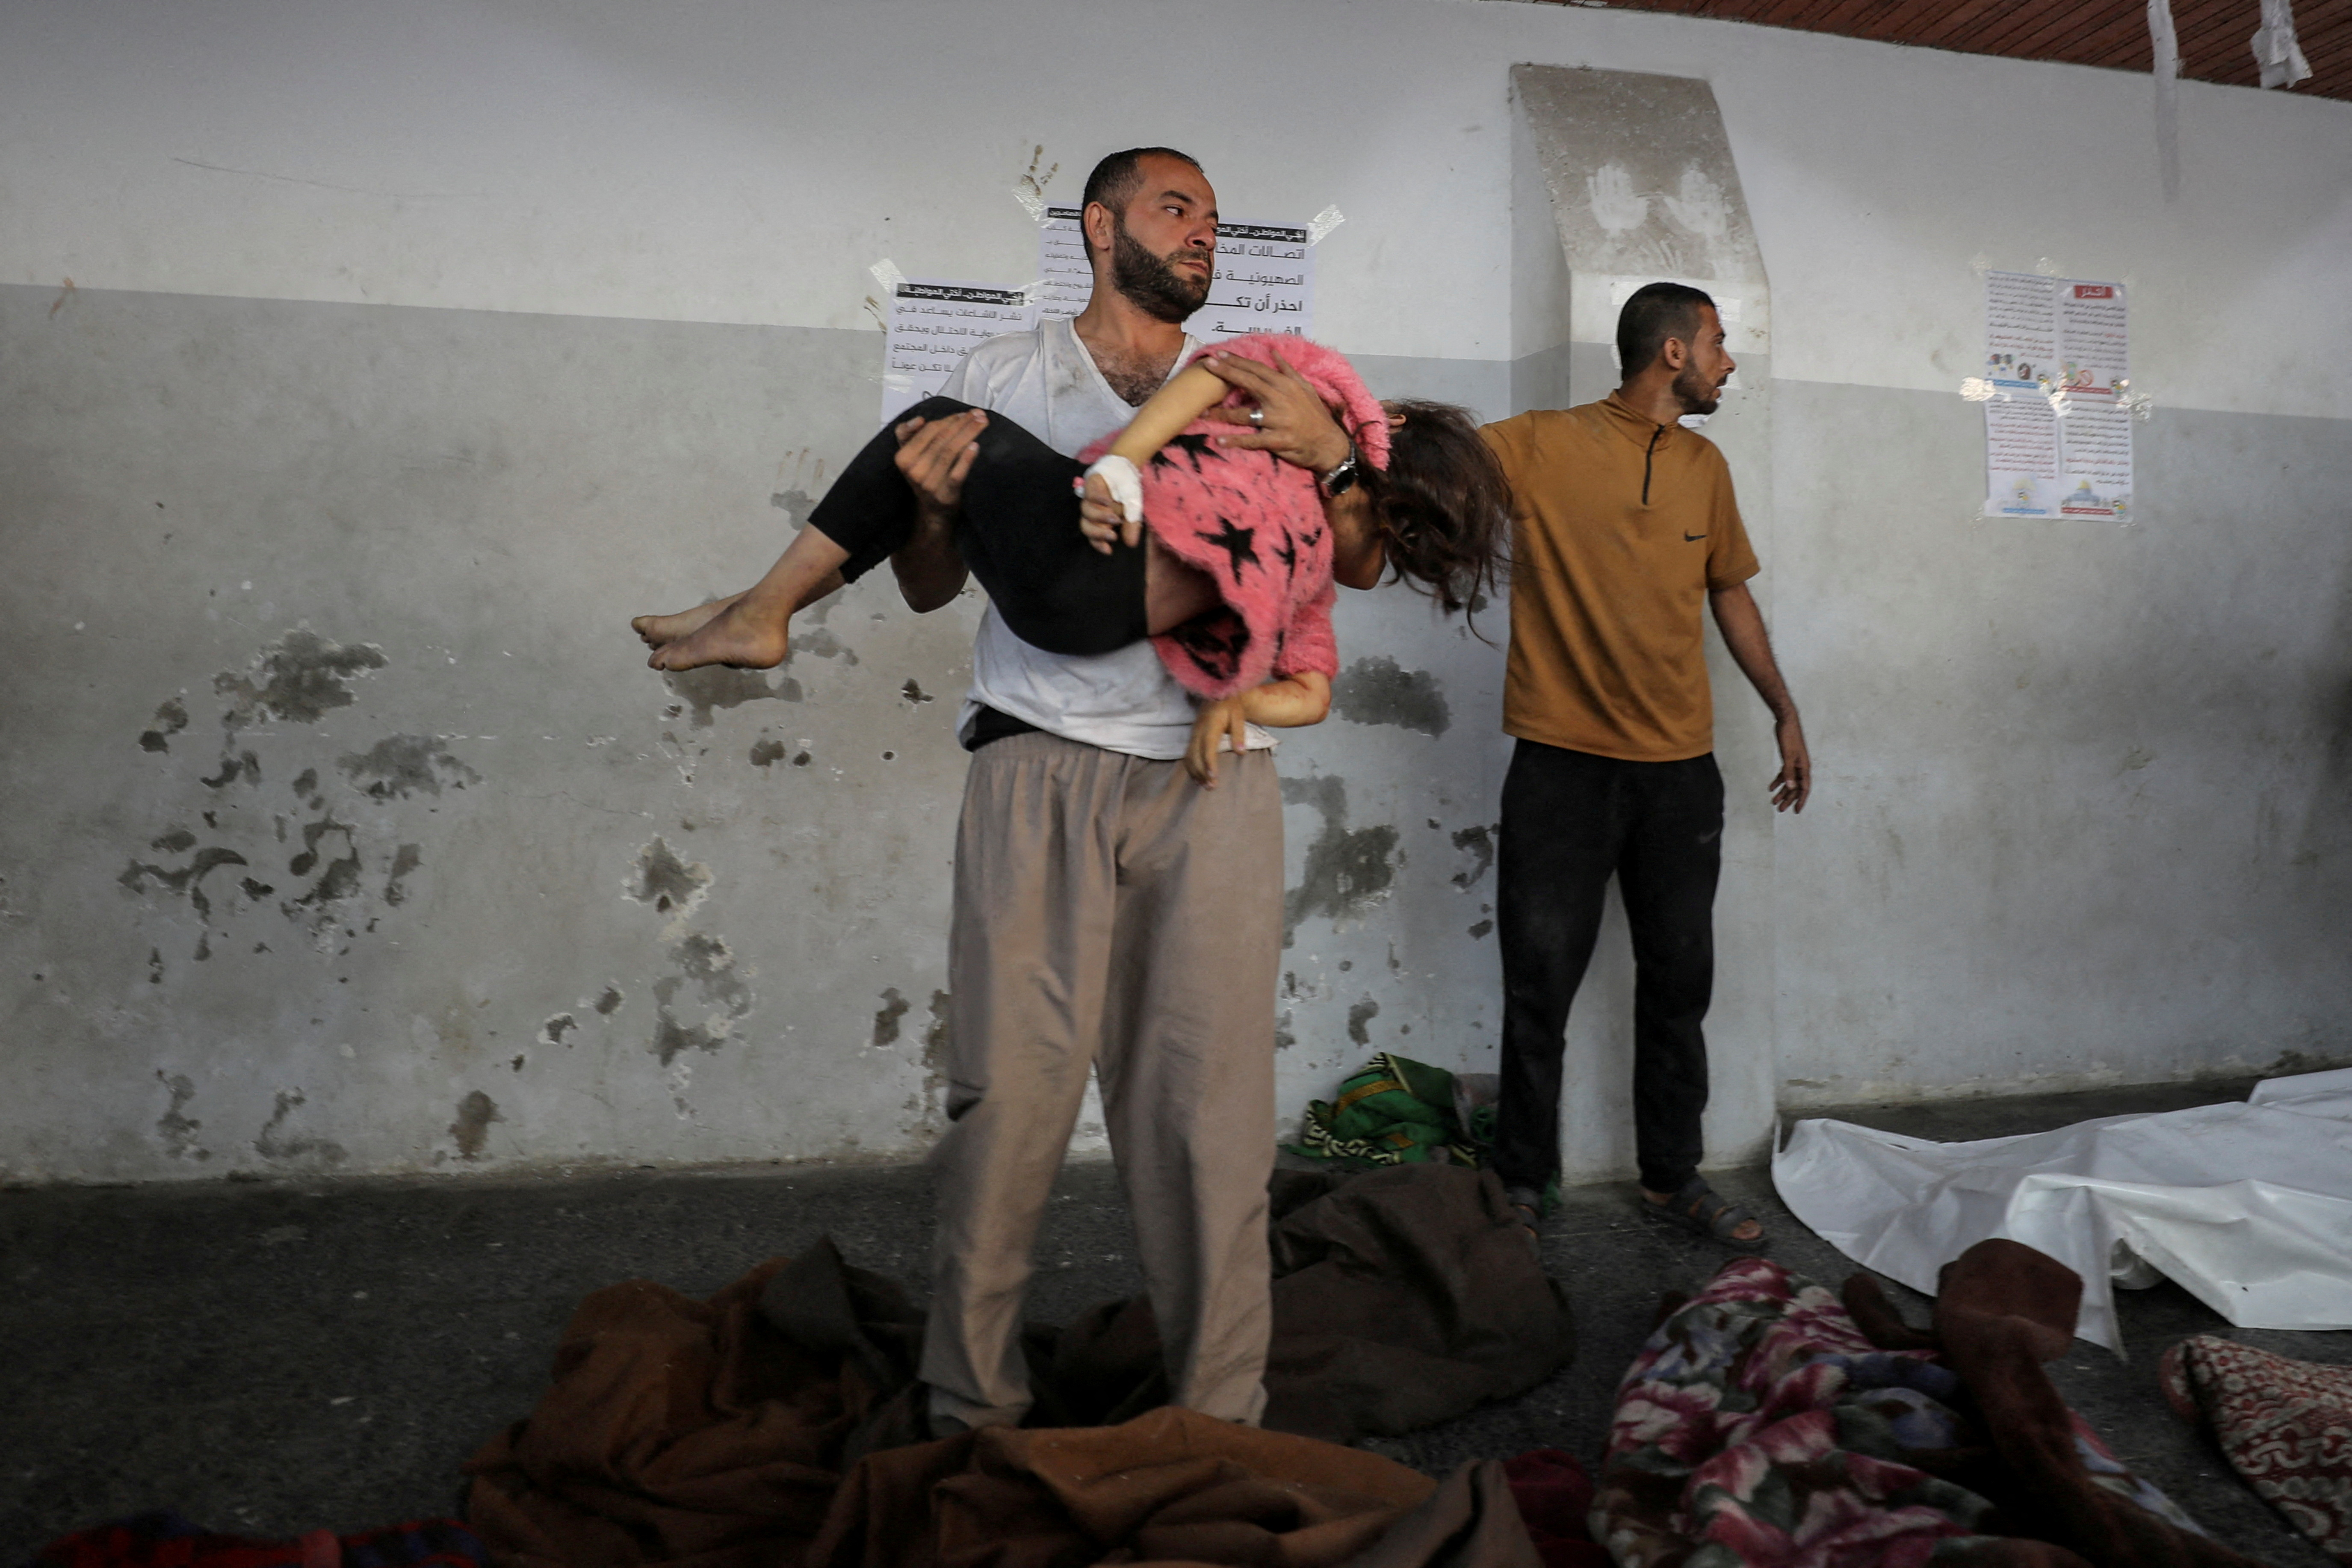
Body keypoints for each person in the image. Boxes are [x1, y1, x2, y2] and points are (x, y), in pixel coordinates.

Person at [632, 332, 1504, 777]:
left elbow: (1219, 372)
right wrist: (1236, 704)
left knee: (939, 422)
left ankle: (761, 608)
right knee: (929, 462)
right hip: (1067, 621)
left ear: (1385, 427)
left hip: (1083, 574)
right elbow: (1311, 692)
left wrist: (1126, 458)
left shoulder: (1311, 424)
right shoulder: (1301, 572)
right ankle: (756, 606)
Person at [1478, 281, 1810, 1254]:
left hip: (1678, 775)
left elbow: (1729, 594)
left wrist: (1784, 709)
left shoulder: (1706, 465)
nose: (1727, 361)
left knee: (1679, 984)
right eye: (1717, 342)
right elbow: (1430, 467)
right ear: (1672, 352)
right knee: (1538, 986)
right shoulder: (1539, 443)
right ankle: (1521, 1178)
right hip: (1560, 768)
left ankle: (1671, 1177)